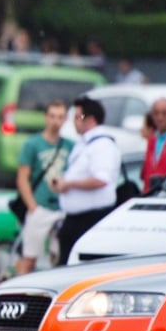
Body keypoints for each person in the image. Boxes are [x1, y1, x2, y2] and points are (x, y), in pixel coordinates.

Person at [52, 96, 120, 265]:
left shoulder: (102, 145)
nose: (74, 122)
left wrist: (69, 184)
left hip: (91, 218)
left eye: (78, 117)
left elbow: (101, 179)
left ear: (89, 119)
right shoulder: (85, 144)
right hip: (75, 218)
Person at [13, 100, 73, 276]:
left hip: (62, 208)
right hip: (40, 206)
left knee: (59, 257)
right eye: (52, 116)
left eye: (60, 117)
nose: (56, 121)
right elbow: (22, 178)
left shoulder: (70, 146)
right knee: (29, 257)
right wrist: (32, 206)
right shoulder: (33, 144)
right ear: (46, 118)